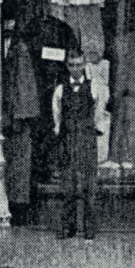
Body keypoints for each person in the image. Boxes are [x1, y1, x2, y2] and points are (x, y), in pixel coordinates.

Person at [52, 52, 99, 240]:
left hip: (87, 140)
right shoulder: (60, 90)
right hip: (68, 140)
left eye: (79, 64)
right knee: (68, 186)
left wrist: (93, 130)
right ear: (67, 66)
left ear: (84, 65)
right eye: (72, 65)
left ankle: (89, 228)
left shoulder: (93, 87)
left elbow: (98, 114)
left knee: (89, 186)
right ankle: (68, 227)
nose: (75, 68)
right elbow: (57, 117)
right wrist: (61, 132)